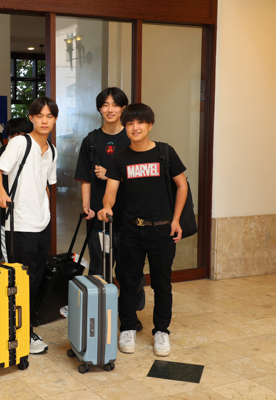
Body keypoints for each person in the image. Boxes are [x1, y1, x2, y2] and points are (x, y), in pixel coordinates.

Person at [97, 103, 188, 357]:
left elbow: (182, 186)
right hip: (131, 230)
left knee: (162, 283)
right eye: (129, 123)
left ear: (150, 125)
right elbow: (111, 191)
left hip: (161, 230)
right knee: (128, 282)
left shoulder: (165, 152)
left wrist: (176, 220)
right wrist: (107, 206)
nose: (134, 128)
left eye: (140, 122)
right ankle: (127, 328)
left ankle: (161, 331)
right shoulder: (120, 158)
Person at [0, 97, 58, 355]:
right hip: (18, 224)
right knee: (18, 279)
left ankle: (26, 327)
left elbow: (46, 185)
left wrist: (47, 212)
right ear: (31, 118)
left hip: (41, 224)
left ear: (54, 119)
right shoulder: (21, 142)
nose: (44, 120)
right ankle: (15, 330)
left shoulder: (51, 150)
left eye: (49, 116)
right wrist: (1, 194)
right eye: (39, 116)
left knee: (36, 278)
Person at [74, 87, 130, 276]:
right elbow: (85, 178)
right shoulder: (91, 140)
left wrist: (111, 175)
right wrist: (86, 206)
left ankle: (129, 297)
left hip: (129, 214)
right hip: (99, 216)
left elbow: (139, 178)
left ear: (123, 108)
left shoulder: (132, 139)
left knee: (129, 269)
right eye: (105, 105)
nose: (110, 110)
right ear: (99, 109)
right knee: (99, 268)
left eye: (115, 105)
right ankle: (100, 296)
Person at [0, 117, 31, 260]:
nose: (16, 139)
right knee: (7, 254)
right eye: (12, 135)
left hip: (28, 215)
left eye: (20, 135)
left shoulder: (36, 153)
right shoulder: (5, 152)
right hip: (6, 214)